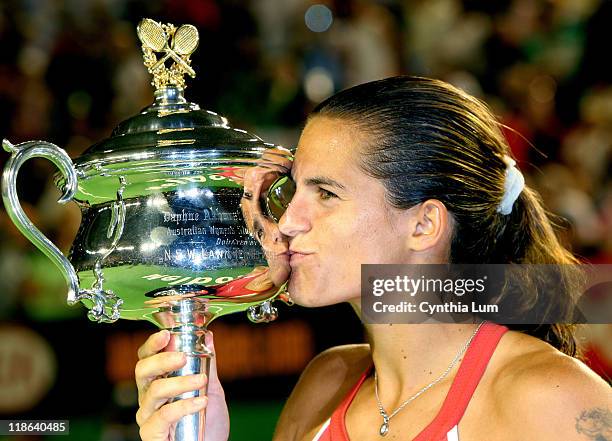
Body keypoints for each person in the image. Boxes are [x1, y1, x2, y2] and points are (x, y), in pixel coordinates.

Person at [134, 76, 611, 441]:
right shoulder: (326, 381)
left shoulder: (548, 398)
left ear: (424, 225)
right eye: (294, 189)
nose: (290, 220)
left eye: (325, 193)